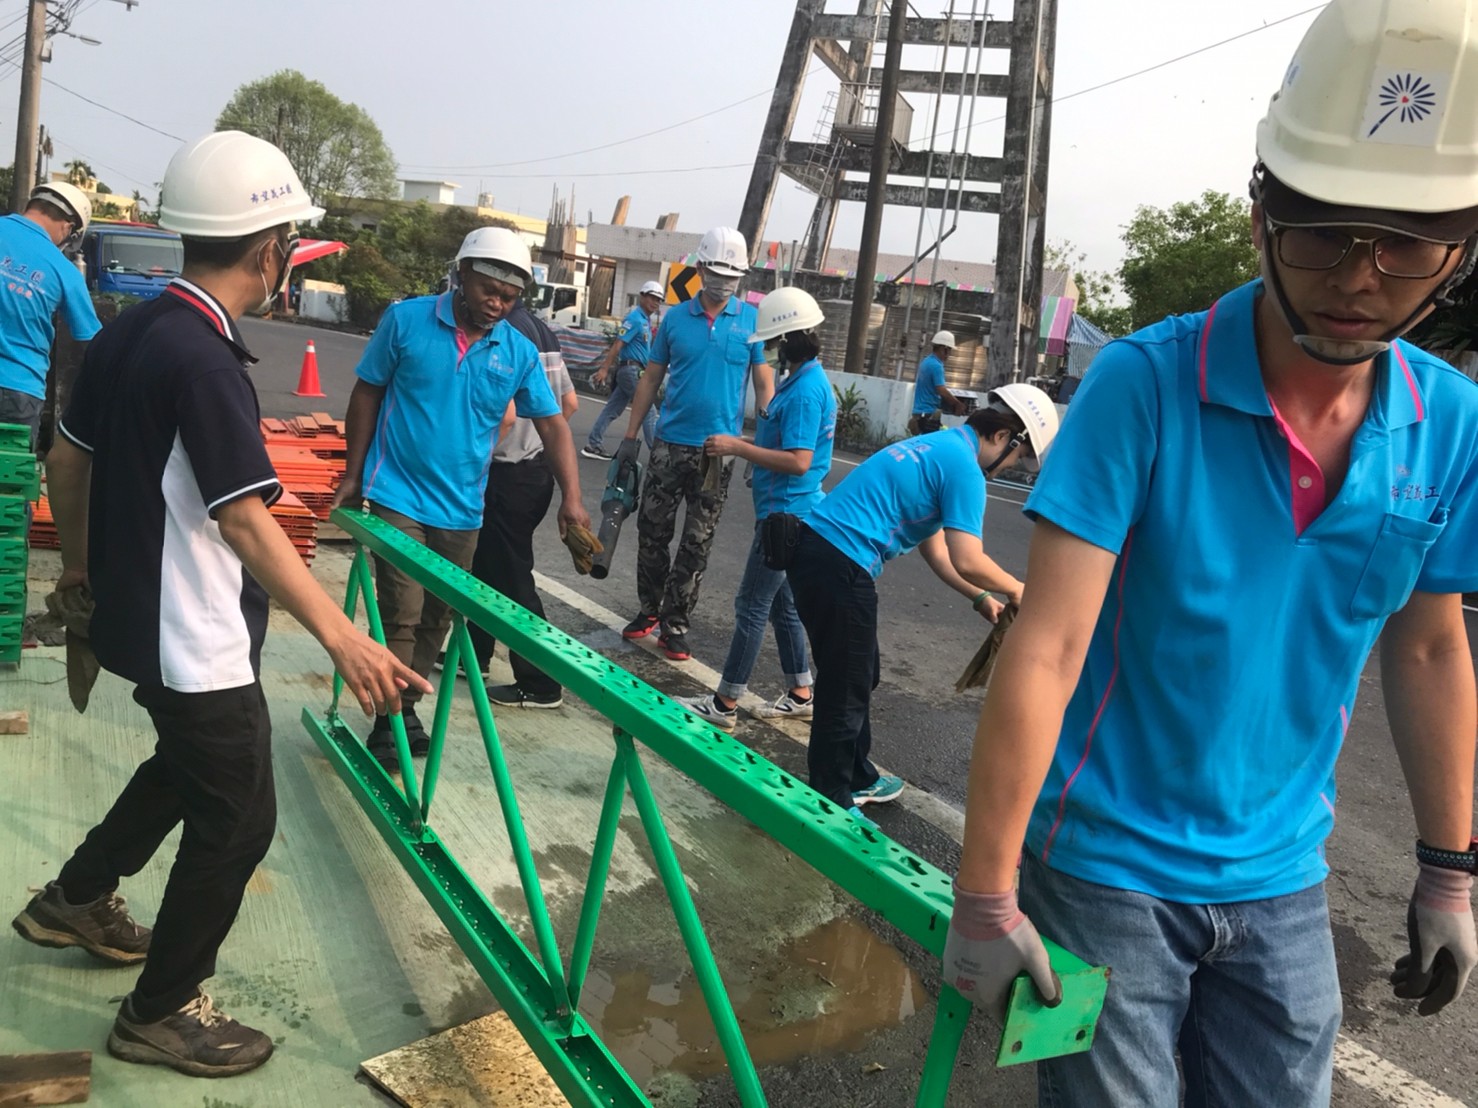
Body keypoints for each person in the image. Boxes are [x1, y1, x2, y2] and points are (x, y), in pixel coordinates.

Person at [946, 4, 1478, 1104]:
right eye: (1325, 232)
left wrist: (1447, 871)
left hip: (1284, 873)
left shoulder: (1451, 423)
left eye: (1406, 243)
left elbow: (1429, 647)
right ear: (1260, 216)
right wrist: (985, 895)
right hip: (1102, 863)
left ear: (1458, 252)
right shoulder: (1143, 386)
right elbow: (1047, 644)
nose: (1361, 276)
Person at [11, 131, 428, 1078]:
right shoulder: (204, 363)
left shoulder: (130, 331)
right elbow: (244, 520)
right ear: (270, 250)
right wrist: (344, 637)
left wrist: (78, 571)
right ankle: (161, 1011)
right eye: (289, 246)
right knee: (238, 818)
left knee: (184, 767)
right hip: (192, 637)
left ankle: (74, 899)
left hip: (134, 617)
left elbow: (66, 461)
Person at [333, 226, 590, 771]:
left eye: (510, 296)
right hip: (398, 492)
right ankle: (389, 722)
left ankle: (402, 707)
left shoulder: (518, 350)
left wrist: (572, 497)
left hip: (463, 508)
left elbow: (553, 425)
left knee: (437, 616)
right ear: (462, 274)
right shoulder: (406, 321)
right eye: (489, 290)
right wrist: (354, 475)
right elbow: (367, 391)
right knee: (401, 610)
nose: (498, 303)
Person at [790, 385, 1058, 824]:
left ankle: (858, 777)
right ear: (1003, 437)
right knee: (846, 685)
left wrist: (981, 598)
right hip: (840, 563)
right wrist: (1017, 589)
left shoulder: (940, 446)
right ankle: (831, 799)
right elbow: (968, 558)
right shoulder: (965, 468)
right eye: (1016, 457)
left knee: (861, 673)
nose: (1010, 466)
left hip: (820, 554)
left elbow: (938, 551)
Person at [676, 287, 836, 729]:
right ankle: (801, 691)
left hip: (785, 515)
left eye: (770, 341)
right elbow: (783, 442)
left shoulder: (804, 392)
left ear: (786, 339)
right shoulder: (802, 381)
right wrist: (744, 443)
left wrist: (739, 449)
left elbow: (799, 460)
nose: (766, 349)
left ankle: (725, 703)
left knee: (750, 604)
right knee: (783, 606)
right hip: (788, 511)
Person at [614, 226, 773, 662]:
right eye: (717, 273)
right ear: (700, 269)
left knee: (697, 542)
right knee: (652, 533)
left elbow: (763, 382)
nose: (724, 283)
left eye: (732, 276)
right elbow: (651, 378)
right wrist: (630, 436)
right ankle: (649, 609)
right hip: (669, 444)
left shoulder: (751, 322)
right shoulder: (674, 319)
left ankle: (675, 625)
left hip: (718, 452)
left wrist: (763, 444)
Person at [467, 290, 579, 708]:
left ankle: (540, 680)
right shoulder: (541, 331)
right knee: (486, 567)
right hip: (534, 469)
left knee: (512, 578)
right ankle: (474, 654)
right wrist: (538, 438)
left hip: (506, 472)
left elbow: (507, 415)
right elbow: (568, 404)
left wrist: (476, 456)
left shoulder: (502, 333)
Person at [0, 181, 101, 450]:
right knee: (8, 474)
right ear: (68, 228)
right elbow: (92, 339)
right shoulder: (64, 271)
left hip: (17, 392)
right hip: (17, 390)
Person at [581, 279, 661, 459]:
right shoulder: (635, 319)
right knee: (648, 409)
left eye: (658, 299)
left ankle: (593, 444)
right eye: (652, 297)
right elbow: (618, 344)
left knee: (613, 408)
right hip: (631, 370)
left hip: (634, 370)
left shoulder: (645, 320)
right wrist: (604, 369)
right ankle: (656, 454)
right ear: (642, 296)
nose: (655, 302)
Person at [908, 330, 965, 435]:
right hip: (928, 414)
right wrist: (957, 404)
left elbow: (931, 389)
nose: (949, 354)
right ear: (944, 349)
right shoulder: (936, 366)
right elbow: (941, 390)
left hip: (919, 413)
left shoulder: (927, 361)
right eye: (949, 350)